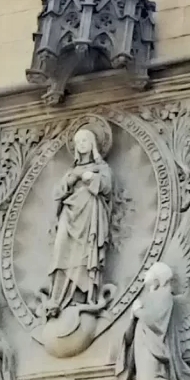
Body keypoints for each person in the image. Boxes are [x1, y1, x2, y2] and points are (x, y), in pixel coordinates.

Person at [43, 126, 114, 317]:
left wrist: (90, 177)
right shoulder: (71, 171)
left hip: (90, 213)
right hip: (69, 213)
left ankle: (82, 296)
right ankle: (57, 297)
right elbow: (57, 193)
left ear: (93, 144)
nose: (81, 144)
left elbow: (106, 187)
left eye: (85, 140)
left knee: (85, 253)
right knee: (61, 250)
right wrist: (70, 180)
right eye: (78, 141)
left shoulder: (101, 168)